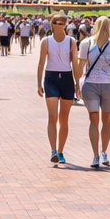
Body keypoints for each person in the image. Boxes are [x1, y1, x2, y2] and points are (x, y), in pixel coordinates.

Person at [77, 16, 110, 168]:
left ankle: (99, 154)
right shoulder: (90, 44)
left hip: (99, 83)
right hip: (100, 84)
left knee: (97, 120)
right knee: (104, 120)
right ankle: (100, 153)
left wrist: (76, 83)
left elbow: (80, 66)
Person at [37, 15, 78, 164]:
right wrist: (38, 83)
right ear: (52, 24)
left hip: (67, 79)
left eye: (63, 23)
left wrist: (77, 83)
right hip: (51, 78)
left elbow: (75, 63)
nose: (60, 25)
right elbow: (41, 63)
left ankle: (61, 151)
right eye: (57, 23)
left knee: (64, 118)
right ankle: (53, 150)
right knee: (52, 116)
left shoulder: (71, 42)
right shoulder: (46, 41)